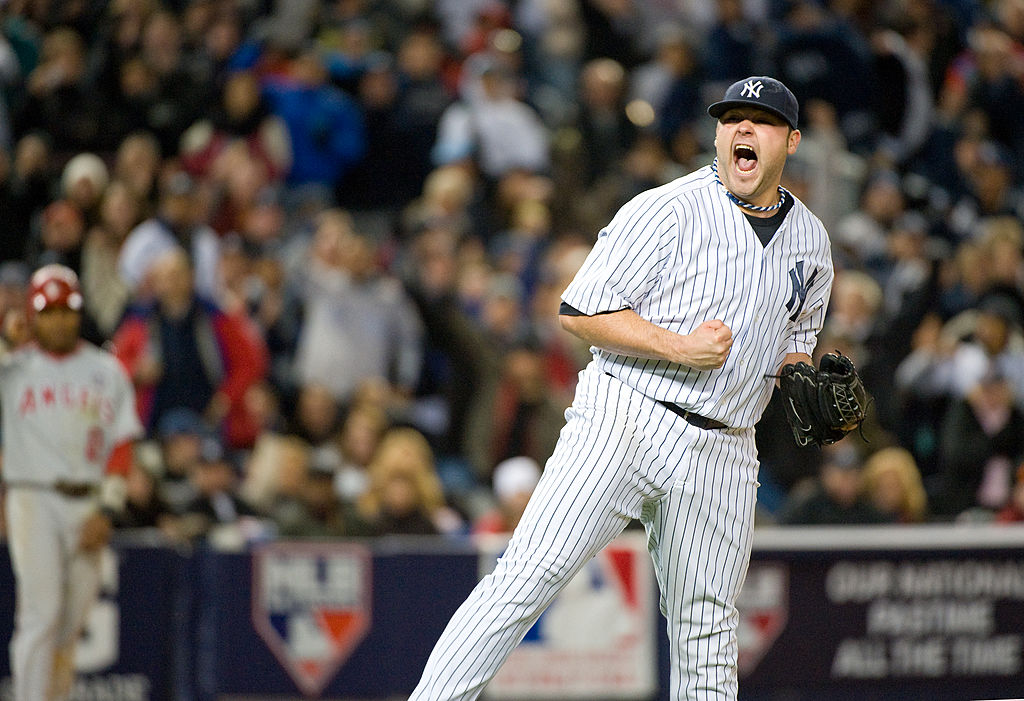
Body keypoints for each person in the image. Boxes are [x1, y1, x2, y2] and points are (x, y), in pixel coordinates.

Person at [410, 76, 835, 700]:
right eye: (732, 119)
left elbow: (795, 335)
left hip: (726, 444)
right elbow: (579, 310)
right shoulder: (665, 208)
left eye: (762, 121)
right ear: (717, 133)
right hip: (628, 412)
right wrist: (677, 345)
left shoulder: (813, 242)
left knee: (708, 633)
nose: (743, 129)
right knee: (528, 576)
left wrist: (802, 374)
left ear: (791, 141)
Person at [0, 264, 143, 701]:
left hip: (87, 501)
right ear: (33, 314)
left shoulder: (106, 370)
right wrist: (8, 341)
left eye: (68, 310)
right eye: (49, 311)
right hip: (33, 496)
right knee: (40, 615)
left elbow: (121, 446)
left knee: (69, 624)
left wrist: (108, 509)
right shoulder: (12, 368)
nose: (60, 320)